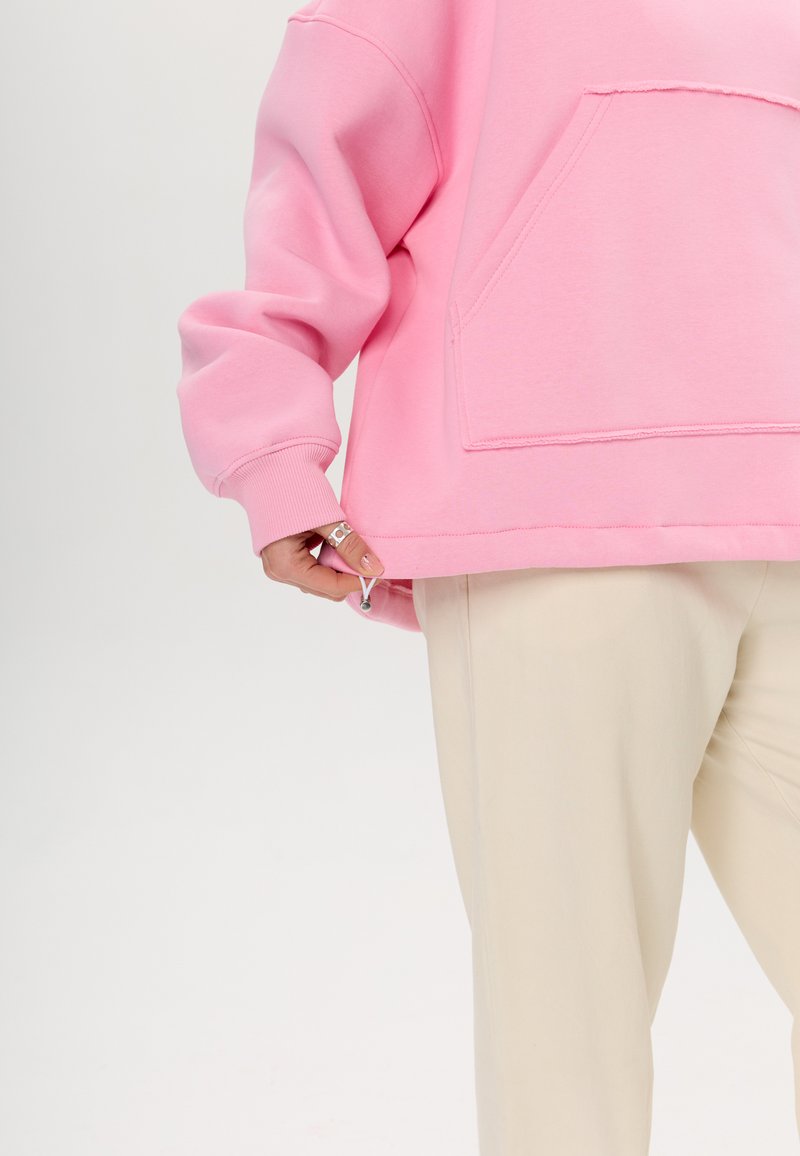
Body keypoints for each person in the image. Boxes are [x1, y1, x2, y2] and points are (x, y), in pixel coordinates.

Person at [175, 1, 800, 1151]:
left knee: (567, 1021)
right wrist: (270, 443)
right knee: (568, 1036)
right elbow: (321, 171)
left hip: (777, 508)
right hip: (551, 519)